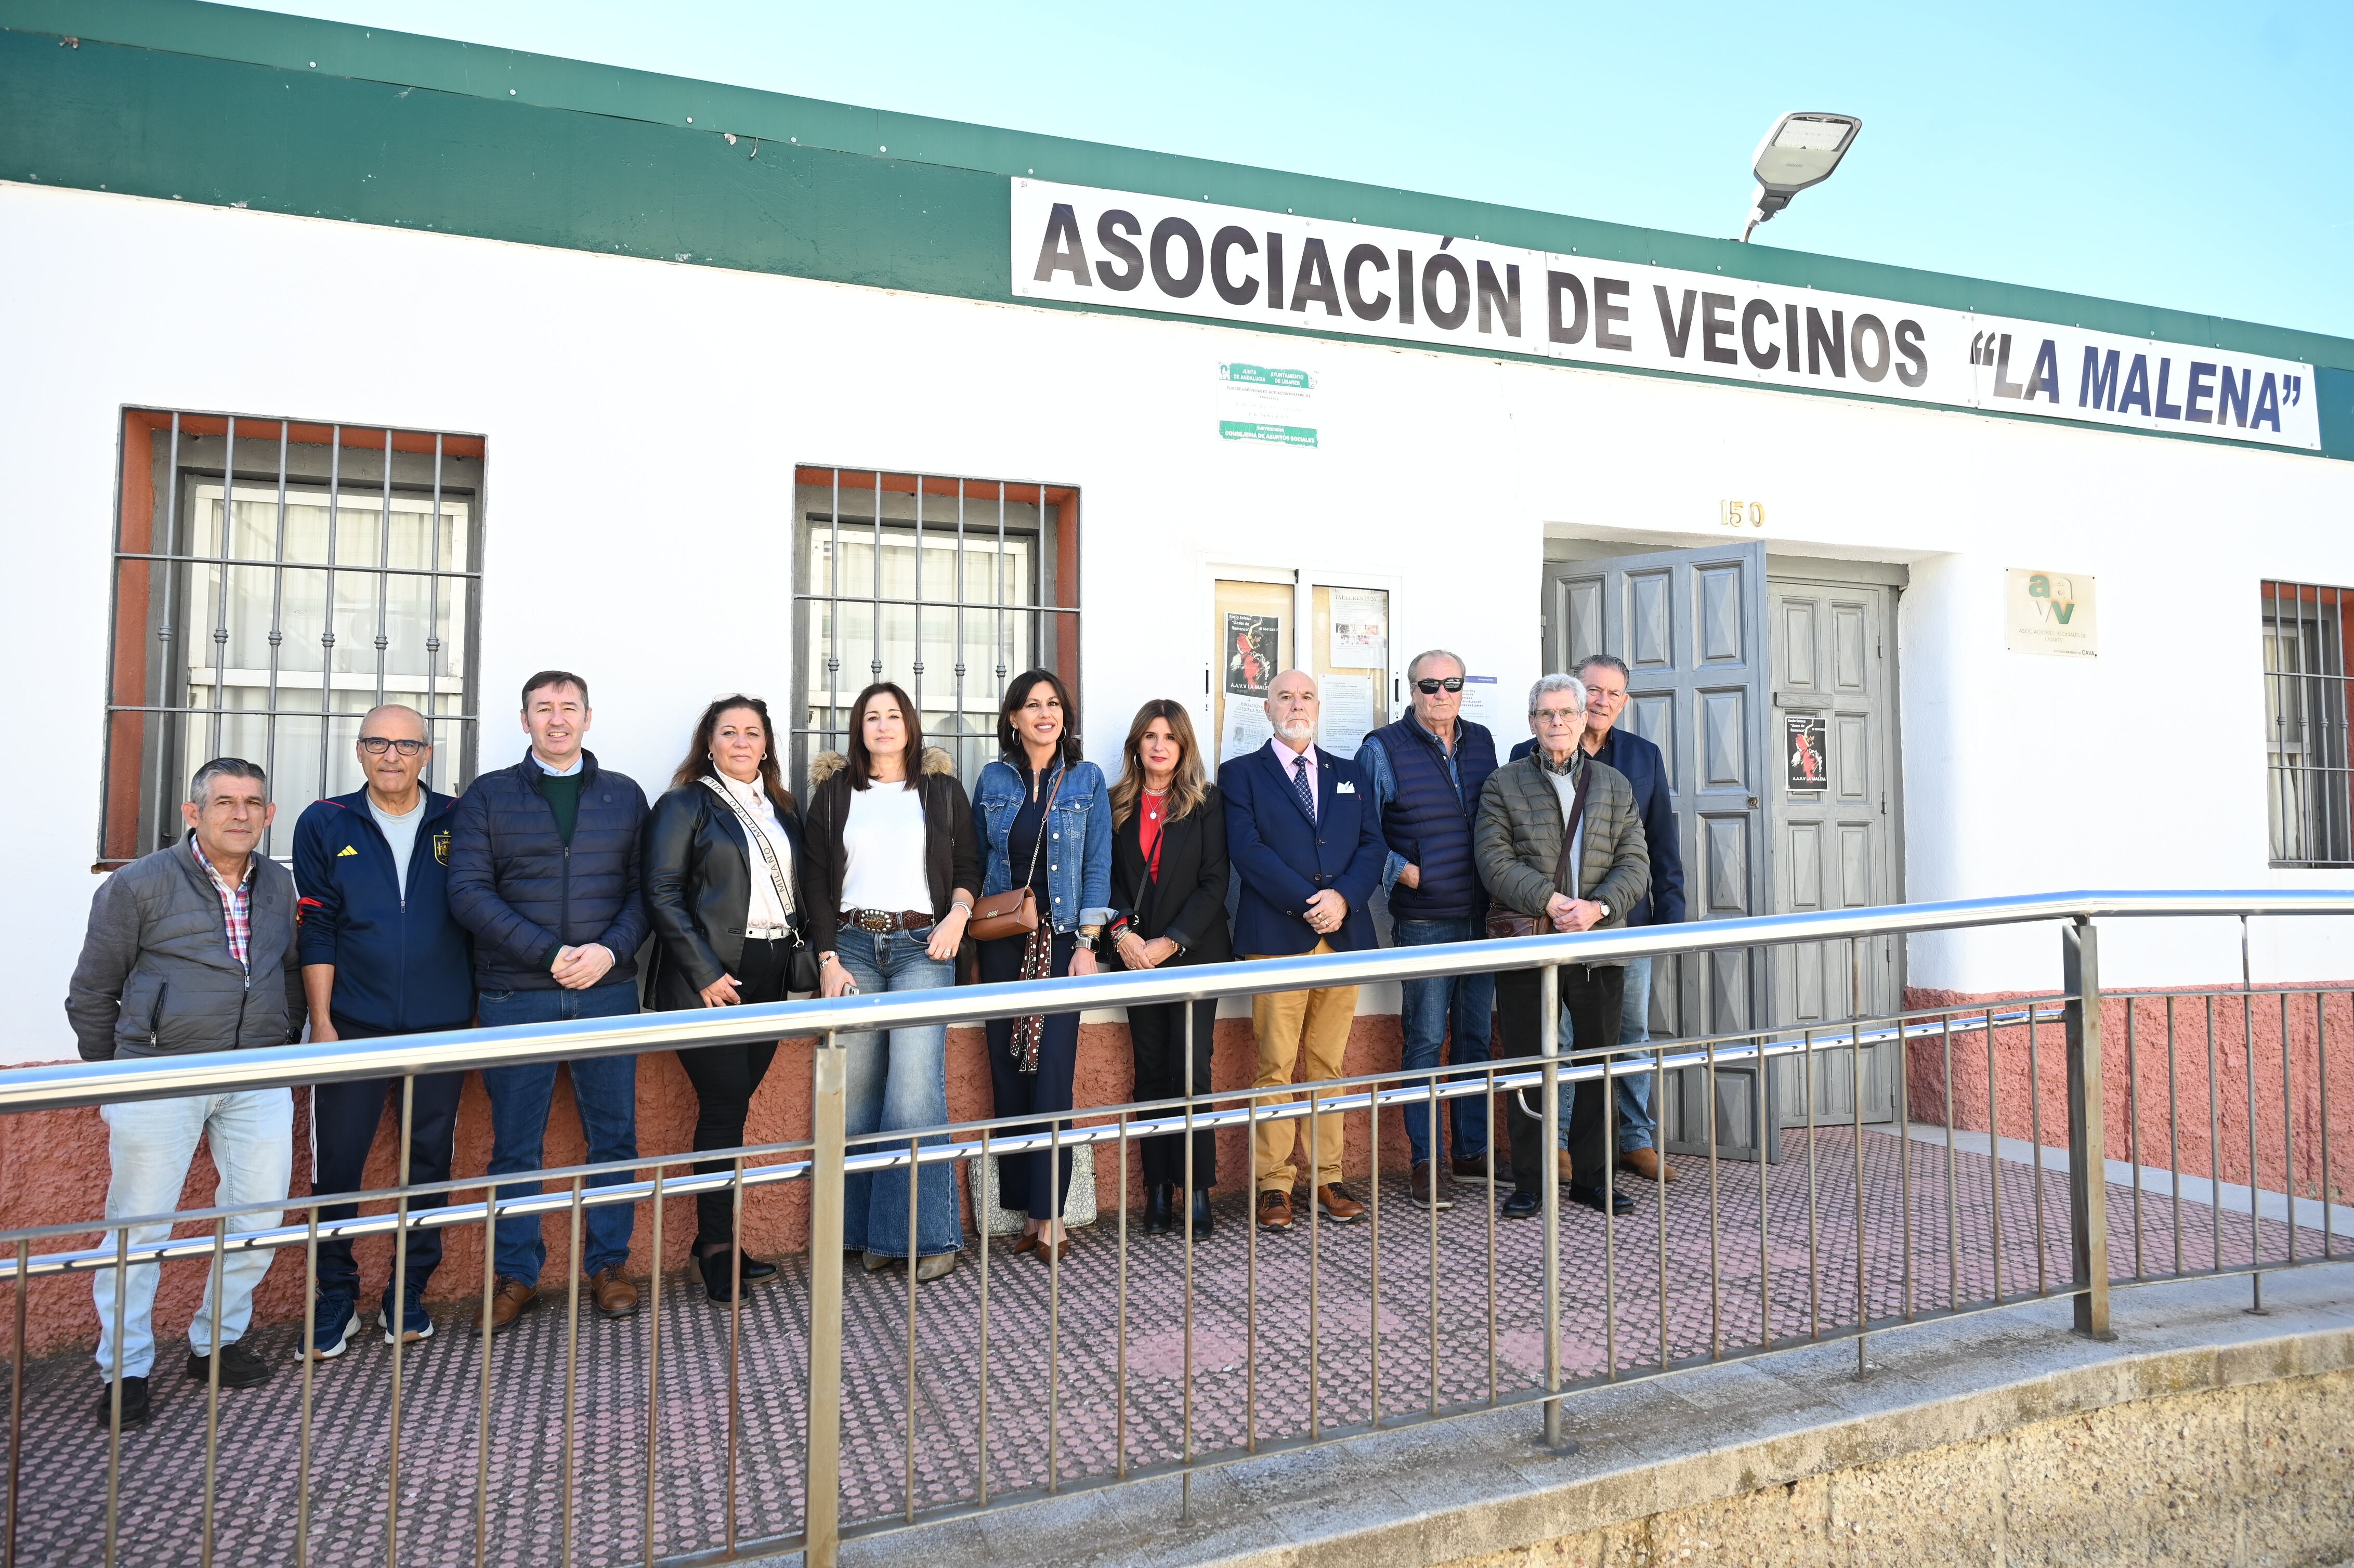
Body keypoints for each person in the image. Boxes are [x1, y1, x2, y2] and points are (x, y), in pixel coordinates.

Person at [67, 759, 306, 1428]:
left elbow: (287, 973)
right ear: (192, 812)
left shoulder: (279, 883)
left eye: (252, 802)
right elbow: (91, 990)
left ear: (269, 814)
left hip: (255, 1074)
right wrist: (114, 1075)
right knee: (139, 1225)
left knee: (259, 1215)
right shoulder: (137, 884)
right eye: (224, 802)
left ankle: (218, 1342)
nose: (239, 814)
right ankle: (126, 1368)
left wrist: (282, 1042)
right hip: (159, 1073)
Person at [447, 670, 650, 1329]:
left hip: (608, 992)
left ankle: (610, 1265)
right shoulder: (487, 796)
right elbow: (469, 891)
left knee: (615, 1138)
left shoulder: (623, 796)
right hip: (516, 995)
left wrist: (609, 952)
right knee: (515, 1145)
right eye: (544, 708)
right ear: (525, 718)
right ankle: (515, 1276)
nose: (556, 719)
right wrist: (549, 954)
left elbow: (646, 892)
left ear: (589, 718)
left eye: (569, 708)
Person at [291, 704, 473, 1360]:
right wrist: (323, 1023)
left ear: (427, 753)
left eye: (405, 744)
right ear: (359, 750)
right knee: (337, 1165)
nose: (391, 755)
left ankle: (408, 1293)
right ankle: (336, 1296)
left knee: (427, 1165)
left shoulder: (459, 817)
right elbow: (316, 923)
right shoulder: (326, 820)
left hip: (443, 1026)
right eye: (377, 742)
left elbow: (481, 911)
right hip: (354, 1026)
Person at [803, 682, 978, 1281]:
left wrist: (958, 914)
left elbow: (969, 865)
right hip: (851, 945)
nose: (883, 726)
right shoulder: (833, 795)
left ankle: (928, 1236)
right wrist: (827, 958)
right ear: (859, 728)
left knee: (913, 1088)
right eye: (871, 717)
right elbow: (817, 881)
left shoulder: (940, 791)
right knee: (855, 1092)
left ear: (910, 726)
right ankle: (864, 1234)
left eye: (893, 715)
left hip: (922, 946)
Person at [643, 694, 810, 1303]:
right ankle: (716, 1249)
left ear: (767, 745)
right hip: (706, 980)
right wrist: (705, 972)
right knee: (722, 1106)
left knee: (733, 1110)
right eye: (729, 732)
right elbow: (660, 894)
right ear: (708, 744)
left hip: (767, 974)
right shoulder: (684, 804)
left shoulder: (784, 812)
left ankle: (715, 1242)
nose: (741, 742)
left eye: (752, 733)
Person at [1475, 674, 1650, 1218]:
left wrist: (1596, 909)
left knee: (1597, 1062)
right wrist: (1553, 903)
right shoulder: (1502, 784)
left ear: (1583, 719)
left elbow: (1635, 862)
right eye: (1546, 714)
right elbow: (1493, 861)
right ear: (1532, 722)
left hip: (1597, 945)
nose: (1557, 723)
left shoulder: (1615, 785)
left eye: (1566, 713)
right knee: (1528, 1064)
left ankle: (1592, 1180)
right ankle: (1532, 1179)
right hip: (1531, 944)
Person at [1509, 655, 1687, 1184]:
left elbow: (1659, 844)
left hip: (1622, 921)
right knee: (1558, 1035)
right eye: (1594, 690)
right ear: (1576, 698)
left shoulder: (1642, 756)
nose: (1603, 701)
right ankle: (1560, 1144)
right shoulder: (1528, 755)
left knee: (1629, 1031)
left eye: (1613, 693)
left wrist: (1668, 920)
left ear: (1623, 701)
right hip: (1555, 924)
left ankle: (1636, 1140)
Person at [1221, 670, 1385, 1235]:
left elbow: (1373, 844)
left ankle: (1328, 1177)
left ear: (1319, 705)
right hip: (1276, 938)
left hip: (1344, 937)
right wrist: (1308, 902)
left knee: (1327, 1065)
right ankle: (1274, 1185)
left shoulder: (1350, 773)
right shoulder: (1239, 774)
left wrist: (1342, 898)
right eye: (1285, 696)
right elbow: (1246, 849)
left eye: (1307, 696)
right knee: (1274, 1066)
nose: (1297, 704)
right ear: (1267, 709)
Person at [972, 668, 1113, 1262]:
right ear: (1013, 718)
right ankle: (1023, 1211)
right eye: (1032, 705)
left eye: (1053, 704)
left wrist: (1087, 941)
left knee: (1051, 1071)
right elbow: (976, 857)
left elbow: (1098, 861)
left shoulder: (1086, 779)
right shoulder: (991, 779)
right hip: (1003, 941)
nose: (1044, 714)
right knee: (1009, 1073)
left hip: (1059, 944)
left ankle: (1050, 1215)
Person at [1356, 648, 1499, 1211]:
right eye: (1429, 685)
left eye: (1451, 683)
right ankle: (1426, 1160)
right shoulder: (1381, 748)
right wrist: (1401, 871)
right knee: (1422, 1040)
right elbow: (1362, 830)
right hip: (1423, 919)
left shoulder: (1483, 740)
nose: (1441, 694)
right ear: (1410, 690)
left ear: (1464, 688)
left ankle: (1470, 1151)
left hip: (1482, 915)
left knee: (1472, 1039)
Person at [1105, 700, 1232, 1237]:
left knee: (1191, 1070)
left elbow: (1214, 882)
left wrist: (1170, 942)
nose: (1159, 745)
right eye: (1150, 736)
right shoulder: (1111, 804)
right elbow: (1103, 880)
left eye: (1170, 737)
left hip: (1194, 955)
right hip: (1134, 957)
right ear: (1137, 743)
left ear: (1183, 747)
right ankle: (1157, 1189)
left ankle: (1197, 1189)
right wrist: (1123, 936)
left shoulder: (1206, 803)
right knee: (1150, 1072)